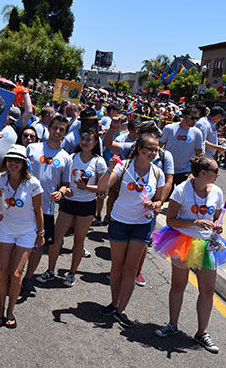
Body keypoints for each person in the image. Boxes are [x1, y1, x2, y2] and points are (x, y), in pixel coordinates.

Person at [152, 155, 226, 353]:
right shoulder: (181, 190)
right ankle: (172, 324)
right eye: (215, 171)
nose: (218, 174)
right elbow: (171, 220)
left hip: (207, 243)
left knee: (208, 289)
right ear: (203, 173)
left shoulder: (216, 191)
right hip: (183, 241)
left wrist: (219, 225)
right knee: (178, 285)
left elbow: (217, 217)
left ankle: (202, 333)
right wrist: (194, 223)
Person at [96, 133, 165, 327]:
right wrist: (109, 169)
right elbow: (102, 188)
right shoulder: (123, 166)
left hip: (142, 224)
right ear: (139, 149)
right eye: (149, 149)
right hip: (119, 220)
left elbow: (159, 200)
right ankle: (114, 302)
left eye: (155, 149)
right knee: (117, 266)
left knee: (131, 269)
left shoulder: (156, 173)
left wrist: (155, 205)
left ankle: (121, 309)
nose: (152, 152)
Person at [39, 129, 106, 287]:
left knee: (78, 241)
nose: (85, 142)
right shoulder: (71, 157)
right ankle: (50, 270)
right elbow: (62, 180)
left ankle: (72, 273)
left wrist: (87, 188)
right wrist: (64, 190)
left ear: (95, 143)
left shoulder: (99, 161)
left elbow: (102, 188)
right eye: (83, 138)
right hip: (69, 202)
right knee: (56, 239)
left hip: (87, 204)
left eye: (89, 139)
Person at [0, 145, 44, 328]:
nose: (13, 163)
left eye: (17, 160)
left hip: (27, 231)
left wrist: (41, 234)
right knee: (3, 270)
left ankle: (10, 311)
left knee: (16, 274)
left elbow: (38, 210)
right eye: (10, 159)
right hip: (6, 228)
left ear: (24, 163)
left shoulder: (33, 183)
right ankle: (0, 307)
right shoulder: (0, 178)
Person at [21, 116, 71, 294]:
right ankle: (13, 275)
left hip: (46, 209)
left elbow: (65, 184)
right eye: (55, 128)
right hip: (23, 204)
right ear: (49, 129)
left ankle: (27, 279)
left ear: (65, 133)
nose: (57, 132)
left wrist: (62, 192)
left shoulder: (66, 157)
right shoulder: (32, 148)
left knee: (38, 245)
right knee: (18, 240)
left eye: (62, 130)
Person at [159, 106, 204, 187]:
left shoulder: (197, 133)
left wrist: (194, 172)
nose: (195, 121)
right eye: (192, 118)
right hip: (168, 169)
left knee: (182, 197)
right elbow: (159, 146)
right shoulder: (169, 128)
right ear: (184, 116)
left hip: (185, 170)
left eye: (197, 118)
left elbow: (199, 154)